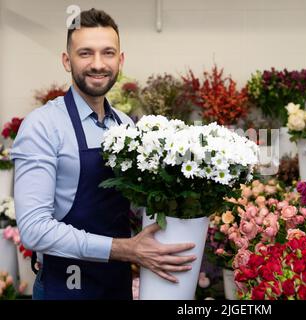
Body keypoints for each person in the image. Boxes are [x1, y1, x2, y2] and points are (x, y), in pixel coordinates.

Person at [11, 8, 196, 300]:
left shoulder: (125, 124)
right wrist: (124, 249)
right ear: (66, 60)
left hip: (116, 285)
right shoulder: (43, 126)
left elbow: (131, 205)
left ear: (120, 60)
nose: (98, 64)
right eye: (85, 53)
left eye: (107, 53)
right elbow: (34, 230)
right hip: (65, 289)